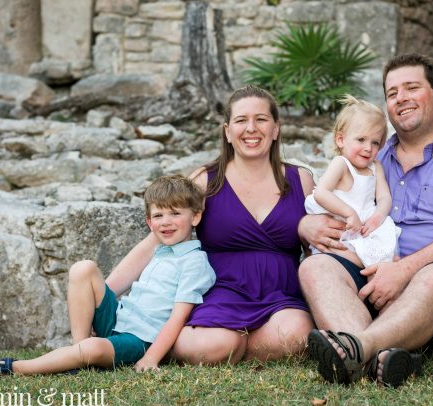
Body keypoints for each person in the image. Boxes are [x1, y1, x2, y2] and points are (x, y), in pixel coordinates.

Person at [298, 53, 433, 387]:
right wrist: (306, 226)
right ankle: (388, 359)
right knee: (315, 268)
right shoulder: (368, 157)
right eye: (391, 93)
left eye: (411, 88)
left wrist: (404, 271)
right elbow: (331, 202)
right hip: (372, 277)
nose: (400, 98)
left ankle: (359, 347)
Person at [106, 85, 315, 365]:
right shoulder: (206, 180)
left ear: (276, 128)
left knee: (297, 334)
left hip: (281, 295)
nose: (251, 128)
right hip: (220, 292)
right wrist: (105, 297)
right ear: (228, 131)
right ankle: (223, 344)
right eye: (241, 120)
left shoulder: (301, 179)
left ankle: (232, 348)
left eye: (261, 119)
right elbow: (158, 238)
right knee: (205, 345)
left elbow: (315, 250)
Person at [0, 175, 215, 378]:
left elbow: (178, 317)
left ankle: (11, 367)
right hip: (119, 319)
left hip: (140, 339)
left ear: (195, 216)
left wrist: (151, 357)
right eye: (158, 216)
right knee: (82, 268)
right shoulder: (161, 251)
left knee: (94, 348)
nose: (166, 222)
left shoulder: (194, 262)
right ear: (149, 222)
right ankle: (77, 351)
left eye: (175, 214)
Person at [304, 94, 401, 269]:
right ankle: (370, 266)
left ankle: (378, 273)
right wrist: (349, 213)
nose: (368, 148)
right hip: (343, 223)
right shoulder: (341, 164)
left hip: (365, 224)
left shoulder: (375, 167)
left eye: (375, 143)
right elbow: (321, 193)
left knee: (385, 241)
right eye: (361, 140)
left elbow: (384, 196)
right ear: (340, 140)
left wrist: (378, 217)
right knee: (334, 251)